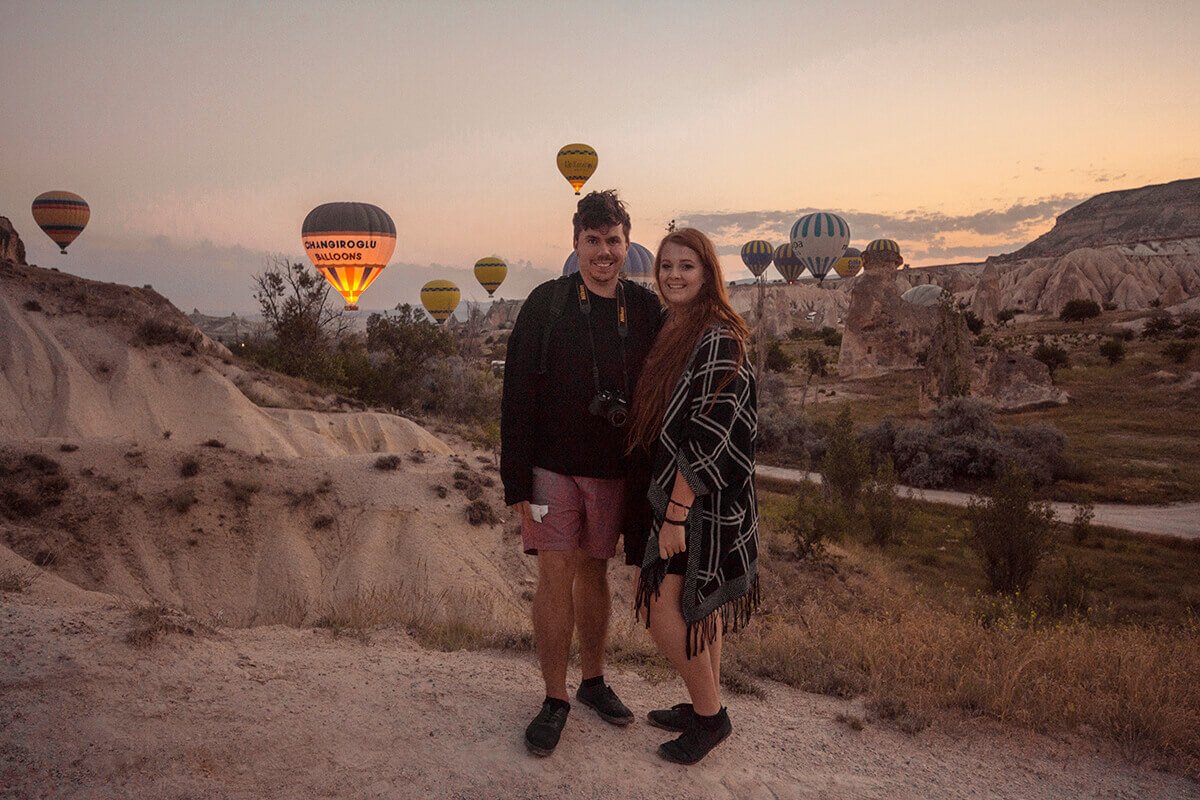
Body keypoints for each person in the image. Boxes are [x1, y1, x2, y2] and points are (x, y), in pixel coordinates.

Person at [500, 190, 662, 756]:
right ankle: (554, 697)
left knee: (596, 574)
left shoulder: (643, 309)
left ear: (626, 244)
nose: (603, 252)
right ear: (575, 243)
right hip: (551, 469)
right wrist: (516, 482)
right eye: (591, 241)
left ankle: (593, 681)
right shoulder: (546, 303)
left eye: (613, 241)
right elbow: (515, 393)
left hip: (616, 471)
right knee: (554, 575)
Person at [625, 227, 759, 765]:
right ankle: (705, 700)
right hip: (686, 496)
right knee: (697, 609)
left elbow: (712, 433)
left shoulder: (718, 336)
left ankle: (711, 718)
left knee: (662, 612)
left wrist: (676, 513)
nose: (674, 276)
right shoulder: (677, 327)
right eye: (666, 267)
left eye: (687, 267)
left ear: (708, 274)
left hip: (699, 502)